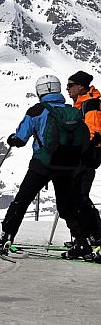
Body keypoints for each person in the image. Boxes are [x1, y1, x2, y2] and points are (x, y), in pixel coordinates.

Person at [0, 75, 93, 258]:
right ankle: (82, 242)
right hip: (67, 165)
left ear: (40, 91)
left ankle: (6, 238)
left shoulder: (37, 110)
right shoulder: (71, 110)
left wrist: (13, 139)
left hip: (43, 163)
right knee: (67, 205)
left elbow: (21, 138)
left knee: (22, 200)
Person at [65, 71, 101, 244]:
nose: (67, 88)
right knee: (78, 197)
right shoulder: (81, 104)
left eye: (70, 85)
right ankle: (89, 237)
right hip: (83, 157)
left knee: (80, 198)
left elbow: (93, 133)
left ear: (81, 86)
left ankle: (95, 236)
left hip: (86, 158)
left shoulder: (91, 105)